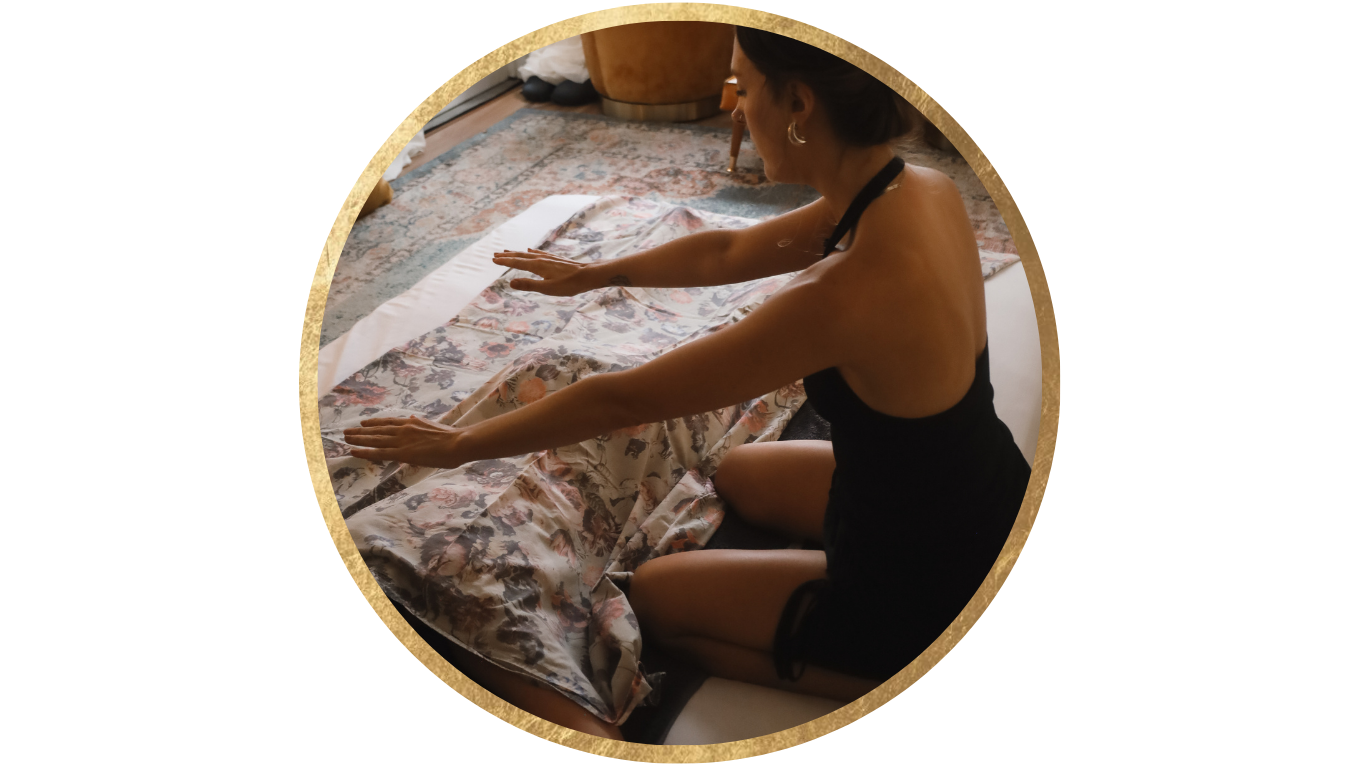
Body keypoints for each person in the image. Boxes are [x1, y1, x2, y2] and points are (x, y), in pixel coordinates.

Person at [343, 26, 1031, 741]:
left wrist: (461, 444)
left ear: (798, 102)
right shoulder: (920, 188)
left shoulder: (842, 294)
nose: (734, 109)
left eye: (743, 86)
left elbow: (627, 397)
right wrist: (598, 272)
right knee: (740, 470)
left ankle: (919, 668)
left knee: (664, 603)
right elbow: (732, 247)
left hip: (928, 579)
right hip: (980, 491)